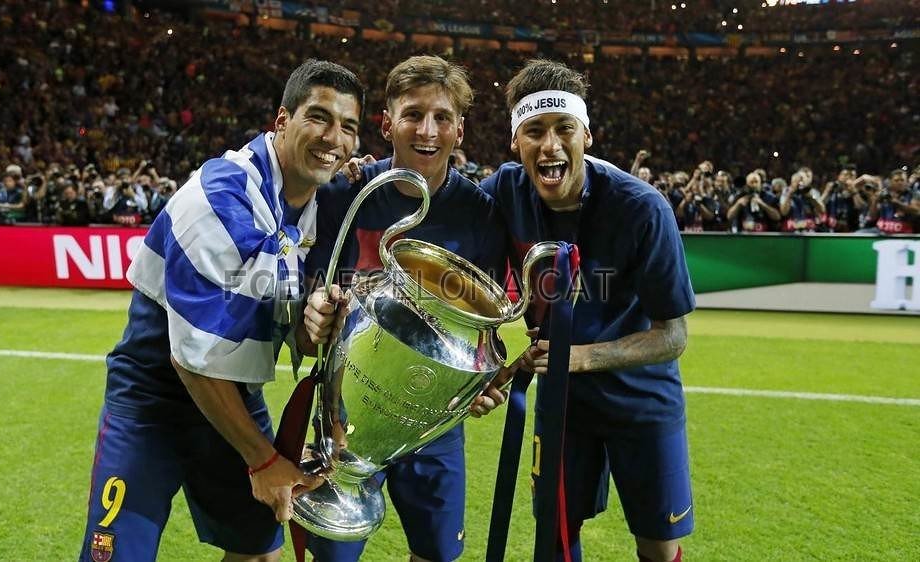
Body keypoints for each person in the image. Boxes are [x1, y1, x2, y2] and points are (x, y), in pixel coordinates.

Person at [78, 59, 365, 562]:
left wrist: (313, 324)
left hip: (236, 393)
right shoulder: (218, 200)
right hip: (154, 398)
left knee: (259, 552)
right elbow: (192, 361)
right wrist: (262, 460)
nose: (333, 138)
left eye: (348, 126)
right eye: (319, 117)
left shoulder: (322, 208)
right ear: (282, 120)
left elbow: (291, 324)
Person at [478, 59, 695, 562]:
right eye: (534, 131)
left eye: (564, 129)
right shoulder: (503, 192)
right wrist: (373, 172)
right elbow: (443, 214)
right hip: (563, 406)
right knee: (554, 535)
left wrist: (578, 357)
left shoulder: (642, 208)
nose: (550, 145)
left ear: (587, 136)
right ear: (515, 142)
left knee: (658, 546)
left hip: (642, 401)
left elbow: (673, 336)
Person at [302, 54, 506, 562]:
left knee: (436, 554)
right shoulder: (345, 193)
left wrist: (481, 387)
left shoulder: (480, 214)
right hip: (343, 416)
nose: (427, 130)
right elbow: (313, 298)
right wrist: (314, 311)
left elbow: (483, 333)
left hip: (432, 425)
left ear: (460, 129)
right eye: (413, 114)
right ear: (387, 123)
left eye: (442, 117)